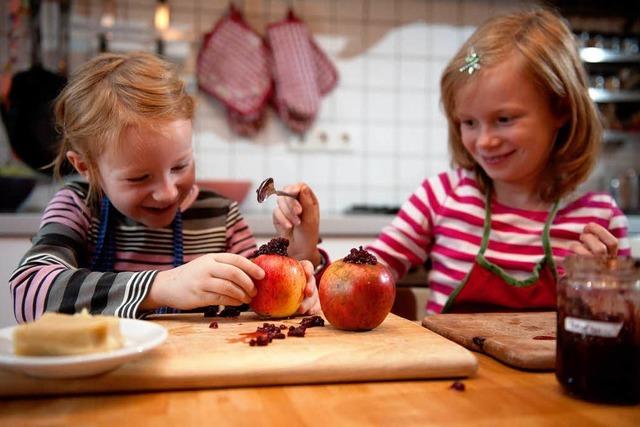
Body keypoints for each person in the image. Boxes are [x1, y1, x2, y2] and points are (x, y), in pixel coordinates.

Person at [273, 9, 631, 314]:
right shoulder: (441, 196)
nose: (485, 140)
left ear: (561, 110)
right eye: (469, 123)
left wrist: (601, 287)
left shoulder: (599, 220)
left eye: (504, 119)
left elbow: (617, 331)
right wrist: (307, 246)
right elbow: (357, 277)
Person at [9, 52, 320, 323]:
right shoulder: (78, 206)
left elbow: (266, 299)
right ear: (87, 168)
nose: (168, 192)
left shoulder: (220, 215)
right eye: (139, 178)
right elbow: (30, 294)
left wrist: (301, 252)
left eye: (180, 167)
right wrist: (161, 287)